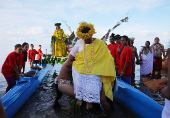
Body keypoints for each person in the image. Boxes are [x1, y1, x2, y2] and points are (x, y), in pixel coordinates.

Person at [56, 22, 116, 114]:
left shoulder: (101, 44)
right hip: (81, 71)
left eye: (87, 38)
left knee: (102, 97)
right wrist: (74, 64)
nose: (85, 40)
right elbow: (71, 58)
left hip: (99, 72)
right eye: (83, 39)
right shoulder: (79, 43)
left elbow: (108, 59)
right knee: (79, 78)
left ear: (91, 35)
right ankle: (81, 100)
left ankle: (103, 110)